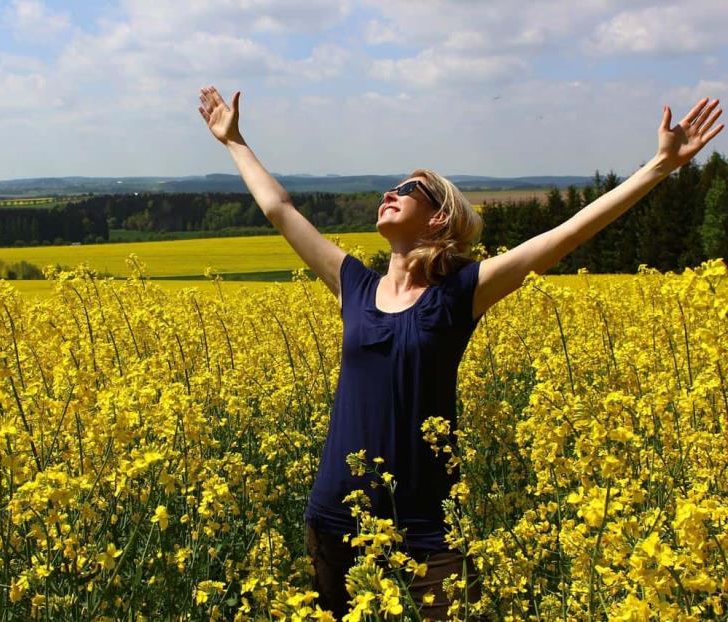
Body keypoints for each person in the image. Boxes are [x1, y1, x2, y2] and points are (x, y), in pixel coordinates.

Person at [198, 86, 723, 619]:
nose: (391, 191)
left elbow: (565, 235)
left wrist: (659, 167)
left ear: (439, 219)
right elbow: (279, 208)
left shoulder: (460, 293)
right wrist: (234, 140)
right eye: (392, 186)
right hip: (336, 516)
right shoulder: (352, 284)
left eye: (410, 188)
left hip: (428, 527)